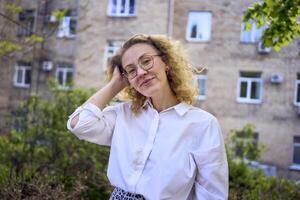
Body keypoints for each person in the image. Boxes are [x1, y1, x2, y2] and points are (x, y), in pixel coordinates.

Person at [67, 34, 228, 200]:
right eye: (131, 70)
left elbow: (211, 194)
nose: (141, 72)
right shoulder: (123, 114)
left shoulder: (202, 124)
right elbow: (79, 124)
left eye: (146, 61)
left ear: (166, 63)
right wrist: (115, 84)